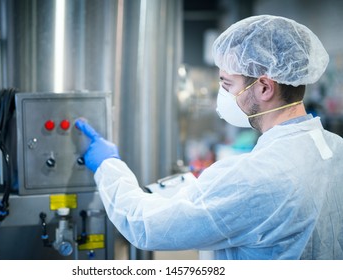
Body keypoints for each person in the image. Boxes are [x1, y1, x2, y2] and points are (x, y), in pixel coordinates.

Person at [75, 15, 343, 260]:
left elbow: (144, 225)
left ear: (264, 87)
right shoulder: (336, 149)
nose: (222, 95)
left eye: (227, 84)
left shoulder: (252, 177)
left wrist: (107, 166)